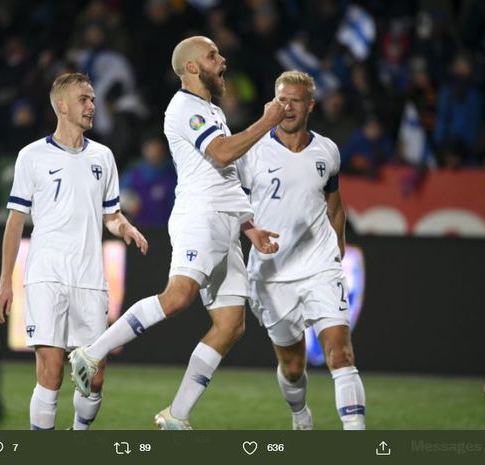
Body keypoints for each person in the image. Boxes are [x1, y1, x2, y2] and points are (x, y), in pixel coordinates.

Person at [69, 35, 287, 429]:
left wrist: (249, 226)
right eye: (213, 55)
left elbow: (224, 175)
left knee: (231, 324)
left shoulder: (211, 110)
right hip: (200, 218)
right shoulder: (185, 107)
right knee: (179, 295)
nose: (222, 61)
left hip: (226, 222)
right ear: (191, 67)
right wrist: (268, 121)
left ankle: (177, 415)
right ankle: (91, 352)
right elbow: (221, 153)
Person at [0, 72, 148, 431]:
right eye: (84, 99)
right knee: (51, 369)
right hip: (46, 273)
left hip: (89, 277)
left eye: (92, 99)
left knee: (94, 376)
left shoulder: (104, 157)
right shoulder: (31, 156)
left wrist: (124, 227)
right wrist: (4, 283)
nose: (92, 106)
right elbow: (15, 222)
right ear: (62, 106)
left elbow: (111, 215)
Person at [237, 71, 366, 430]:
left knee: (340, 354)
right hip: (271, 273)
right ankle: (300, 415)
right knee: (293, 368)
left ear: (310, 105)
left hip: (319, 266)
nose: (288, 107)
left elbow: (335, 205)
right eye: (281, 100)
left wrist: (337, 250)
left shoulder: (327, 150)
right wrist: (250, 233)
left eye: (295, 100)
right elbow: (230, 200)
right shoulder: (253, 151)